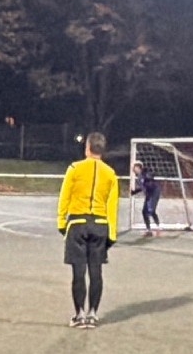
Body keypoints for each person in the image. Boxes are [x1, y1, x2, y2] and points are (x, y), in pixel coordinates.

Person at [57, 132, 119, 329]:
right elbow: (112, 205)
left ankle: (79, 315)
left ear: (87, 148)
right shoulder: (110, 174)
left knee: (78, 271)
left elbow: (65, 196)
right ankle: (93, 314)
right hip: (100, 224)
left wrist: (61, 222)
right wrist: (112, 233)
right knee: (96, 271)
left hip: (77, 223)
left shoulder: (75, 168)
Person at [131, 161, 162, 236]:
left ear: (139, 168)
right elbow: (143, 187)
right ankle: (149, 230)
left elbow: (151, 178)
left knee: (151, 210)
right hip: (149, 194)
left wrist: (147, 176)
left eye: (135, 167)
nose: (133, 169)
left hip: (154, 192)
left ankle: (158, 227)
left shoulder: (145, 173)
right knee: (144, 211)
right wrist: (134, 192)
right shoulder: (139, 177)